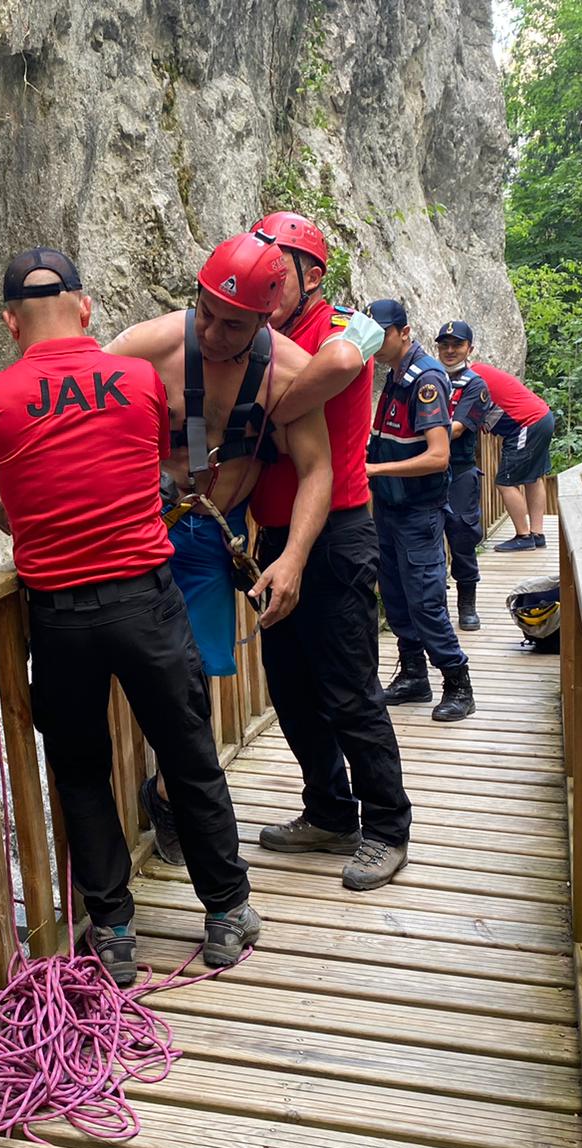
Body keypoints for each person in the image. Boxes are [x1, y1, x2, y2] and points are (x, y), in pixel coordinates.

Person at [0, 247, 259, 984]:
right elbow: (144, 462)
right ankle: (224, 914)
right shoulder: (141, 379)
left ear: (9, 321)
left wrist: (8, 492)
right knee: (188, 754)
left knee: (81, 771)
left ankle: (113, 932)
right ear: (85, 310)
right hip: (145, 599)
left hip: (59, 617)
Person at [103, 231, 334, 864]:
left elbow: (318, 469)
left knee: (196, 672)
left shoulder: (286, 371)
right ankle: (157, 796)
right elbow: (80, 418)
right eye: (205, 311)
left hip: (209, 532)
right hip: (134, 522)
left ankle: (173, 792)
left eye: (233, 325)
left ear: (265, 317)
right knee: (116, 661)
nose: (212, 331)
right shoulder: (145, 347)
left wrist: (292, 559)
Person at [238, 211, 415, 892]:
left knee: (348, 689)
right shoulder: (261, 336)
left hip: (339, 532)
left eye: (278, 270)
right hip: (278, 535)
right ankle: (330, 810)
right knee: (289, 685)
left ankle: (388, 826)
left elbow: (344, 359)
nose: (266, 281)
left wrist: (266, 409)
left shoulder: (340, 326)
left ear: (311, 276)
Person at [367, 299, 476, 726]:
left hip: (418, 511)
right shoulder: (394, 377)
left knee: (426, 600)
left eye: (383, 334)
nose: (376, 342)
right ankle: (414, 676)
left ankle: (458, 684)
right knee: (394, 596)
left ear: (404, 332)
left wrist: (374, 468)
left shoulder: (425, 379)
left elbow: (438, 456)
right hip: (390, 508)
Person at [434, 320, 492, 631]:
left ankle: (467, 604)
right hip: (427, 471)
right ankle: (435, 607)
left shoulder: (475, 386)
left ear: (469, 348)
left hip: (459, 472)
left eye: (457, 345)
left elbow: (457, 428)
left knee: (462, 536)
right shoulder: (428, 378)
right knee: (427, 540)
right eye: (444, 345)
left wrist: (420, 433)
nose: (450, 350)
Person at [470, 359, 556, 552]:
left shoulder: (471, 379)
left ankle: (524, 536)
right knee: (533, 478)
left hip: (527, 423)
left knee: (505, 482)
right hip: (542, 417)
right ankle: (537, 533)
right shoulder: (479, 370)